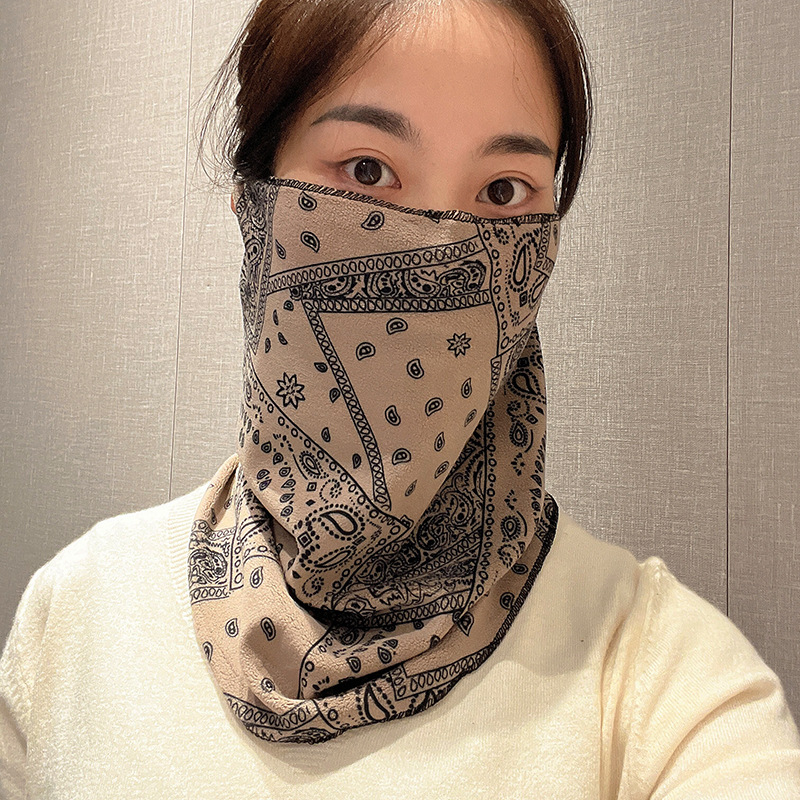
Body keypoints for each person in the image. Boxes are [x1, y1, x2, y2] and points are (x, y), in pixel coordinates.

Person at [1, 0, 799, 796]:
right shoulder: (76, 617)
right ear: (253, 207)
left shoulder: (659, 678)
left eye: (502, 190)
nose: (440, 248)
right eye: (367, 172)